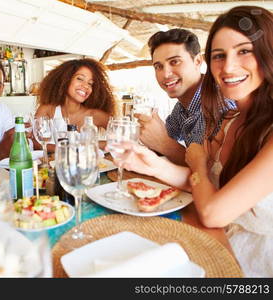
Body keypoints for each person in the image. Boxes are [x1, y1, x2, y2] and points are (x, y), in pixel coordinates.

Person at [114, 6, 273, 277]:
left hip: (252, 262)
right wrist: (152, 165)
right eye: (220, 56)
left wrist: (195, 161)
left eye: (244, 51)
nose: (229, 66)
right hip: (215, 240)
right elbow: (206, 183)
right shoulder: (230, 119)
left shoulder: (228, 112)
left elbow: (213, 210)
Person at [138, 29, 234, 165]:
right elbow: (163, 137)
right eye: (158, 66)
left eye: (175, 62)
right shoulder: (182, 107)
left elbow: (216, 172)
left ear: (198, 61)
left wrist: (165, 144)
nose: (165, 74)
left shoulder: (220, 103)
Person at [35, 58, 115, 131]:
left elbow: (123, 137)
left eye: (90, 83)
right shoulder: (48, 110)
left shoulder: (95, 115)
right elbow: (36, 141)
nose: (86, 86)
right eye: (80, 79)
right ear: (65, 80)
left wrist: (95, 143)